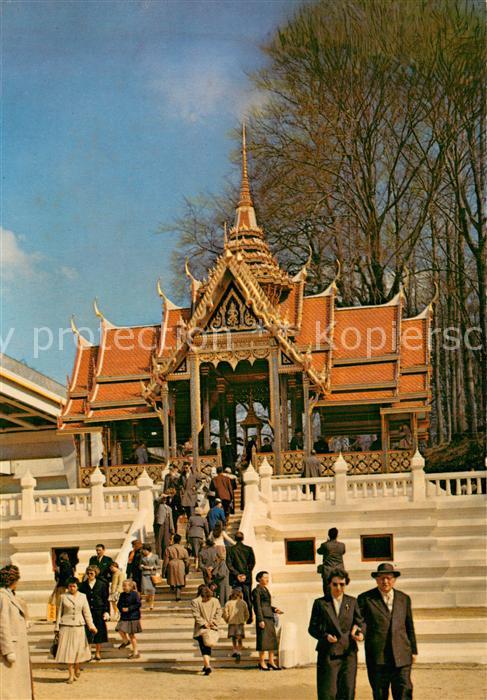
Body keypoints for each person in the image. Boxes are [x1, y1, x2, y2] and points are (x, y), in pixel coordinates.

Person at [358, 563, 418, 700]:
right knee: (380, 694)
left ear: (394, 579)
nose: (385, 581)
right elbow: (361, 622)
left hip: (401, 656)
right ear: (376, 579)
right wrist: (360, 632)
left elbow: (409, 626)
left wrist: (413, 650)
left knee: (404, 691)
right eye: (381, 578)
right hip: (378, 657)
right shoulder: (365, 599)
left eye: (388, 578)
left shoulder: (404, 599)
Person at [308, 568, 365, 700]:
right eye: (335, 584)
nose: (338, 587)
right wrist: (325, 636)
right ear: (329, 584)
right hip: (328, 653)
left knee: (347, 691)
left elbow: (361, 623)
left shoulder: (352, 602)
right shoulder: (320, 603)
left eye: (342, 584)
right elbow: (312, 628)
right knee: (328, 693)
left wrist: (360, 633)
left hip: (348, 654)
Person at [55, 576, 97, 684]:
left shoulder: (83, 597)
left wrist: (91, 626)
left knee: (78, 651)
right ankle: (70, 675)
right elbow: (59, 613)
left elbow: (87, 613)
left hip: (79, 626)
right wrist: (56, 627)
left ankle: (77, 667)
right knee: (69, 652)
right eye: (70, 586)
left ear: (77, 587)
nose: (72, 588)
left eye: (74, 586)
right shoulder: (63, 597)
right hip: (66, 626)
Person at [0, 565, 33, 698]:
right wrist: (8, 650)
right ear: (12, 580)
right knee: (9, 687)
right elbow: (2, 625)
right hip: (11, 648)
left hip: (18, 647)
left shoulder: (10, 596)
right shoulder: (3, 597)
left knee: (16, 685)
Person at [252, 571, 283, 671]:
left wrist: (274, 609)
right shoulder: (256, 590)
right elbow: (257, 606)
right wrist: (260, 619)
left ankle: (271, 661)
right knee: (263, 641)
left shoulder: (265, 589)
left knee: (271, 641)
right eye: (265, 577)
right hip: (263, 618)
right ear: (259, 579)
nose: (267, 579)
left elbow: (267, 605)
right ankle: (261, 662)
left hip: (269, 616)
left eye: (267, 577)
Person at [79, 566, 109, 661]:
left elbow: (105, 599)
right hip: (87, 611)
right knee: (87, 632)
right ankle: (88, 653)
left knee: (98, 632)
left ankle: (97, 652)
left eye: (91, 573)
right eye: (88, 573)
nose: (89, 575)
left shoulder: (102, 584)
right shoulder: (82, 585)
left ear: (95, 574)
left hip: (98, 611)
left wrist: (107, 611)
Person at [191, 585, 222, 676]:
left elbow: (196, 615)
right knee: (208, 646)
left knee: (203, 647)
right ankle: (206, 664)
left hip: (201, 627)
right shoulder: (215, 601)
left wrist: (204, 623)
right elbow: (219, 611)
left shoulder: (195, 601)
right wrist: (214, 621)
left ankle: (207, 665)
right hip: (212, 626)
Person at [227, 531, 255, 623]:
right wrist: (245, 574)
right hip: (246, 578)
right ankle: (250, 617)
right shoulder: (248, 549)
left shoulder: (230, 549)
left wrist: (237, 574)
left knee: (235, 598)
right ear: (243, 538)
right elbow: (252, 563)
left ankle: (237, 617)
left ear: (235, 539)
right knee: (248, 597)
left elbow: (229, 564)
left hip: (236, 578)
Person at [116, 579, 142, 659]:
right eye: (123, 585)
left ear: (130, 586)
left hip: (133, 616)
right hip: (124, 616)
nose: (123, 587)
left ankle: (135, 652)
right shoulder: (122, 594)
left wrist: (129, 609)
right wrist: (121, 609)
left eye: (125, 586)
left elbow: (138, 604)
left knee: (131, 635)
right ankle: (126, 641)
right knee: (119, 629)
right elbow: (118, 604)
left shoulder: (135, 594)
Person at [223, 588, 249, 663]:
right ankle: (239, 651)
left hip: (232, 623)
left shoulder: (228, 603)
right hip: (240, 623)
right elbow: (247, 613)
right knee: (239, 637)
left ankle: (234, 650)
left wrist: (227, 619)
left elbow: (225, 613)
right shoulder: (243, 603)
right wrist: (244, 619)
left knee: (233, 638)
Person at [317, 528, 346, 595]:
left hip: (328, 571)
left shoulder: (325, 545)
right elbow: (343, 552)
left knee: (327, 591)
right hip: (339, 570)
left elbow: (319, 551)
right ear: (337, 535)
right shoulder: (342, 545)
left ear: (329, 535)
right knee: (340, 590)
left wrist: (327, 542)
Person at [163, 533, 190, 601]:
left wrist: (164, 570)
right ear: (180, 540)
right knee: (179, 580)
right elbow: (187, 560)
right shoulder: (183, 549)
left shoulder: (169, 549)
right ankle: (178, 594)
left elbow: (166, 560)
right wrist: (187, 568)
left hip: (171, 563)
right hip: (181, 564)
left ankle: (172, 587)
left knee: (172, 577)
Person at [49, 551, 75, 618]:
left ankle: (59, 617)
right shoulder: (70, 565)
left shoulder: (59, 566)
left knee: (59, 603)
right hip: (69, 586)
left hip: (61, 586)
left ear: (60, 558)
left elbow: (57, 578)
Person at [154, 493, 175, 560]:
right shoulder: (158, 505)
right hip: (159, 524)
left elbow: (171, 518)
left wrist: (172, 528)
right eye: (164, 498)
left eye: (166, 498)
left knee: (166, 542)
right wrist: (162, 496)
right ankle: (159, 556)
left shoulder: (169, 508)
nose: (165, 499)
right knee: (159, 541)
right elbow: (156, 500)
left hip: (167, 525)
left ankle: (165, 556)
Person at [139, 544, 160, 611]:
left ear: (147, 550)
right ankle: (148, 600)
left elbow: (159, 565)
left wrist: (153, 567)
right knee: (145, 588)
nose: (143, 552)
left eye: (144, 550)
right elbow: (139, 566)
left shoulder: (155, 556)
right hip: (145, 574)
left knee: (152, 590)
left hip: (152, 574)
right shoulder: (142, 557)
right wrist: (142, 567)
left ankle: (151, 604)